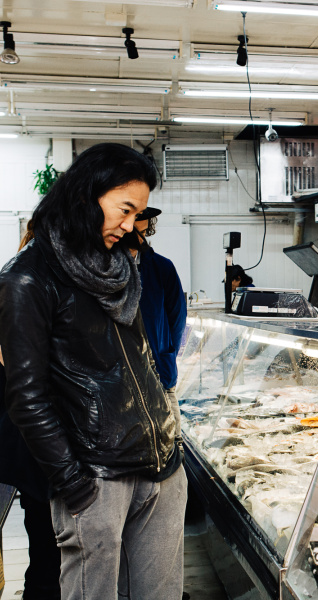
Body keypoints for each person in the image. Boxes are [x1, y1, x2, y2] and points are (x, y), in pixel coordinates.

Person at [0, 143, 186, 600]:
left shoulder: (120, 267)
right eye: (125, 209)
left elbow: (141, 359)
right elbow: (26, 395)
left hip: (161, 466)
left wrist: (169, 438)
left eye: (138, 213)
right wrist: (72, 483)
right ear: (87, 194)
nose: (130, 226)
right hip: (96, 478)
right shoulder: (27, 278)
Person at [0, 225, 61, 600]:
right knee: (46, 541)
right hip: (30, 437)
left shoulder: (21, 278)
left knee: (42, 537)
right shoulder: (24, 284)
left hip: (22, 436)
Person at [132, 206, 187, 443]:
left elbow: (177, 319)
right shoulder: (105, 269)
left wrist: (166, 353)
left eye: (143, 232)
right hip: (124, 383)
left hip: (161, 375)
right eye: (134, 232)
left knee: (173, 442)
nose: (140, 238)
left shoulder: (162, 267)